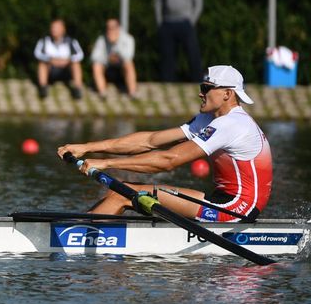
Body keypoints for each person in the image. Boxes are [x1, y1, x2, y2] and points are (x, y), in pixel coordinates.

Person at [57, 65, 270, 222]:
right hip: (221, 199)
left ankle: (79, 237)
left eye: (206, 88)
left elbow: (169, 160)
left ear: (227, 93)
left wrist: (106, 164)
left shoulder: (232, 124)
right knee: (120, 192)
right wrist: (87, 147)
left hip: (237, 209)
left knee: (122, 193)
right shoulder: (209, 119)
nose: (200, 93)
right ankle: (84, 225)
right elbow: (149, 141)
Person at [155, 0, 203, 82]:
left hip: (185, 22)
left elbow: (198, 3)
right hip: (168, 22)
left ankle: (197, 81)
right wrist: (160, 22)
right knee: (167, 56)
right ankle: (168, 82)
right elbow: (158, 2)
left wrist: (191, 21)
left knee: (193, 54)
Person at [33, 18, 84, 100]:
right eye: (52, 27)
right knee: (42, 64)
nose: (54, 30)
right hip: (51, 70)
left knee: (76, 64)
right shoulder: (44, 41)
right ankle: (43, 88)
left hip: (66, 70)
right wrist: (50, 59)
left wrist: (68, 60)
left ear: (63, 29)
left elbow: (80, 54)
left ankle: (77, 89)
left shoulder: (71, 41)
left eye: (56, 28)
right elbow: (37, 53)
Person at [90, 18, 138, 98]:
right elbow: (94, 57)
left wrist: (116, 46)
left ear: (118, 28)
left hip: (122, 69)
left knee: (129, 64)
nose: (110, 30)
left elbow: (128, 56)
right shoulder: (101, 40)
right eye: (108, 28)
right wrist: (108, 58)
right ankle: (102, 93)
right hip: (107, 68)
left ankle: (132, 92)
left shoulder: (128, 39)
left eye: (112, 28)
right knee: (96, 65)